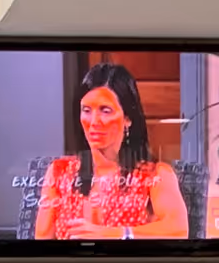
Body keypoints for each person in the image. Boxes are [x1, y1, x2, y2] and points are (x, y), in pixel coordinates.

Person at [34, 62, 189, 240]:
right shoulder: (59, 171)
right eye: (86, 110)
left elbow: (178, 230)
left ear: (128, 118)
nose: (94, 122)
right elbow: (42, 243)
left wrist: (114, 235)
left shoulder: (154, 175)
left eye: (105, 111)